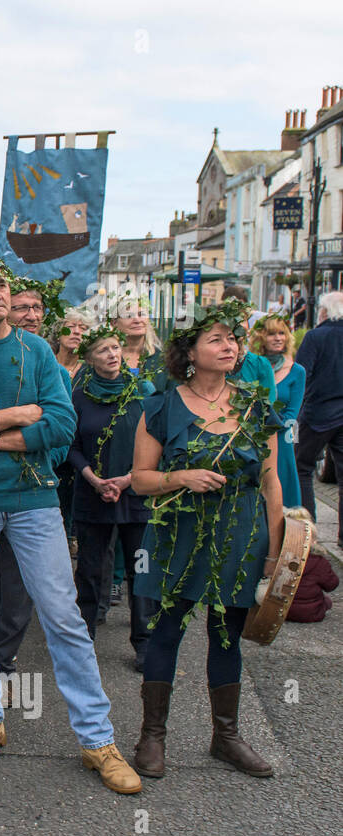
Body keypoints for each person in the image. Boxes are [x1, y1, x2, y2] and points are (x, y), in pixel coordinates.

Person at [0, 254, 141, 794]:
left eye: (1, 287)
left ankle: (97, 740)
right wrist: (18, 417)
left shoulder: (38, 350)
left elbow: (62, 428)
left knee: (63, 617)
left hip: (34, 501)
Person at [131, 301, 283, 779]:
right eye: (216, 339)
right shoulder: (160, 406)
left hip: (241, 533)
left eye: (232, 339)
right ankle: (152, 736)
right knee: (167, 629)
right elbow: (139, 480)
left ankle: (227, 736)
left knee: (226, 634)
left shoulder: (256, 407)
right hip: (179, 534)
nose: (229, 346)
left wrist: (277, 554)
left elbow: (272, 481)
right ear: (190, 352)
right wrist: (181, 477)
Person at [67, 326, 157, 671]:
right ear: (90, 358)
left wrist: (130, 478)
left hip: (137, 498)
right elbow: (70, 447)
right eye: (103, 350)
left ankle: (144, 642)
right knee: (90, 571)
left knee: (142, 570)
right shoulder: (79, 396)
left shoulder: (143, 393)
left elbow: (157, 446)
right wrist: (92, 478)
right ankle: (83, 640)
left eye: (115, 347)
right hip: (93, 497)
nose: (112, 354)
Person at [292, 292, 343, 528]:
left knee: (302, 468)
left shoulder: (315, 336)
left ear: (326, 311)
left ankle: (307, 529)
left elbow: (300, 374)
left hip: (317, 414)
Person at [250, 313, 304, 509]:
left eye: (282, 333)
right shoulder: (252, 366)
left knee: (283, 488)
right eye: (272, 333)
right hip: (251, 436)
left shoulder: (297, 371)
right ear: (261, 337)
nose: (278, 338)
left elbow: (292, 413)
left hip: (282, 437)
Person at [112, 293, 166, 389]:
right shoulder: (107, 357)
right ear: (114, 322)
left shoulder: (162, 359)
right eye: (129, 316)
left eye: (141, 314)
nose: (137, 320)